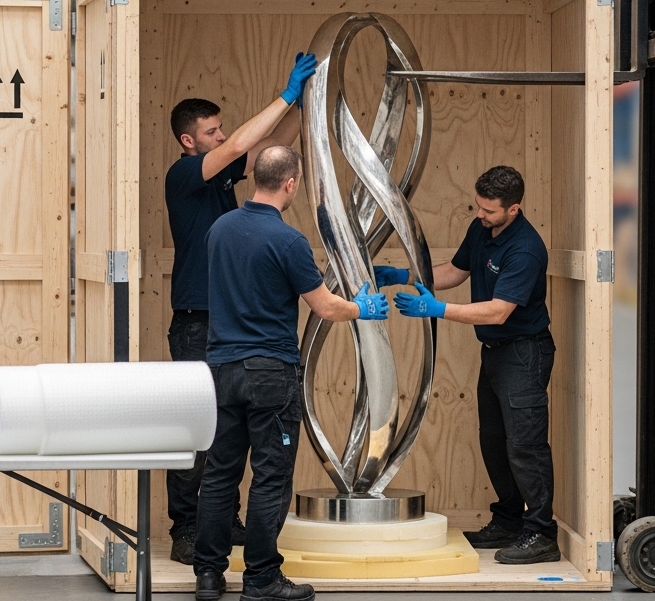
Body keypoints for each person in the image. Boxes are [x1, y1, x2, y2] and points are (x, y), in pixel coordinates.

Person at [194, 146, 389, 601]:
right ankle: (261, 578)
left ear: (257, 177)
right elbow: (324, 306)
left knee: (219, 474)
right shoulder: (288, 241)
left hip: (220, 369)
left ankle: (208, 575)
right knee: (271, 476)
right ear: (291, 183)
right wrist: (363, 307)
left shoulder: (219, 230)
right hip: (269, 373)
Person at [163, 53, 318, 564]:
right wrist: (286, 93)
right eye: (211, 132)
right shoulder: (184, 175)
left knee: (225, 439)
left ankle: (220, 525)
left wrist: (302, 105)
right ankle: (186, 527)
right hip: (195, 323)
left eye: (219, 129)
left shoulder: (223, 182)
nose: (220, 136)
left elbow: (269, 152)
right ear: (190, 141)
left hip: (224, 330)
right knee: (196, 431)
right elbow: (239, 146)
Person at [379, 165, 558, 565]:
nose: (481, 215)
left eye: (489, 211)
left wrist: (436, 309)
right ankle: (510, 520)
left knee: (525, 446)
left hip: (523, 353)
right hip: (494, 355)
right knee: (495, 444)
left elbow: (498, 311)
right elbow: (456, 272)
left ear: (513, 209)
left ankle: (542, 533)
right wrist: (405, 275)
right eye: (478, 207)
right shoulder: (482, 229)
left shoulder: (525, 248)